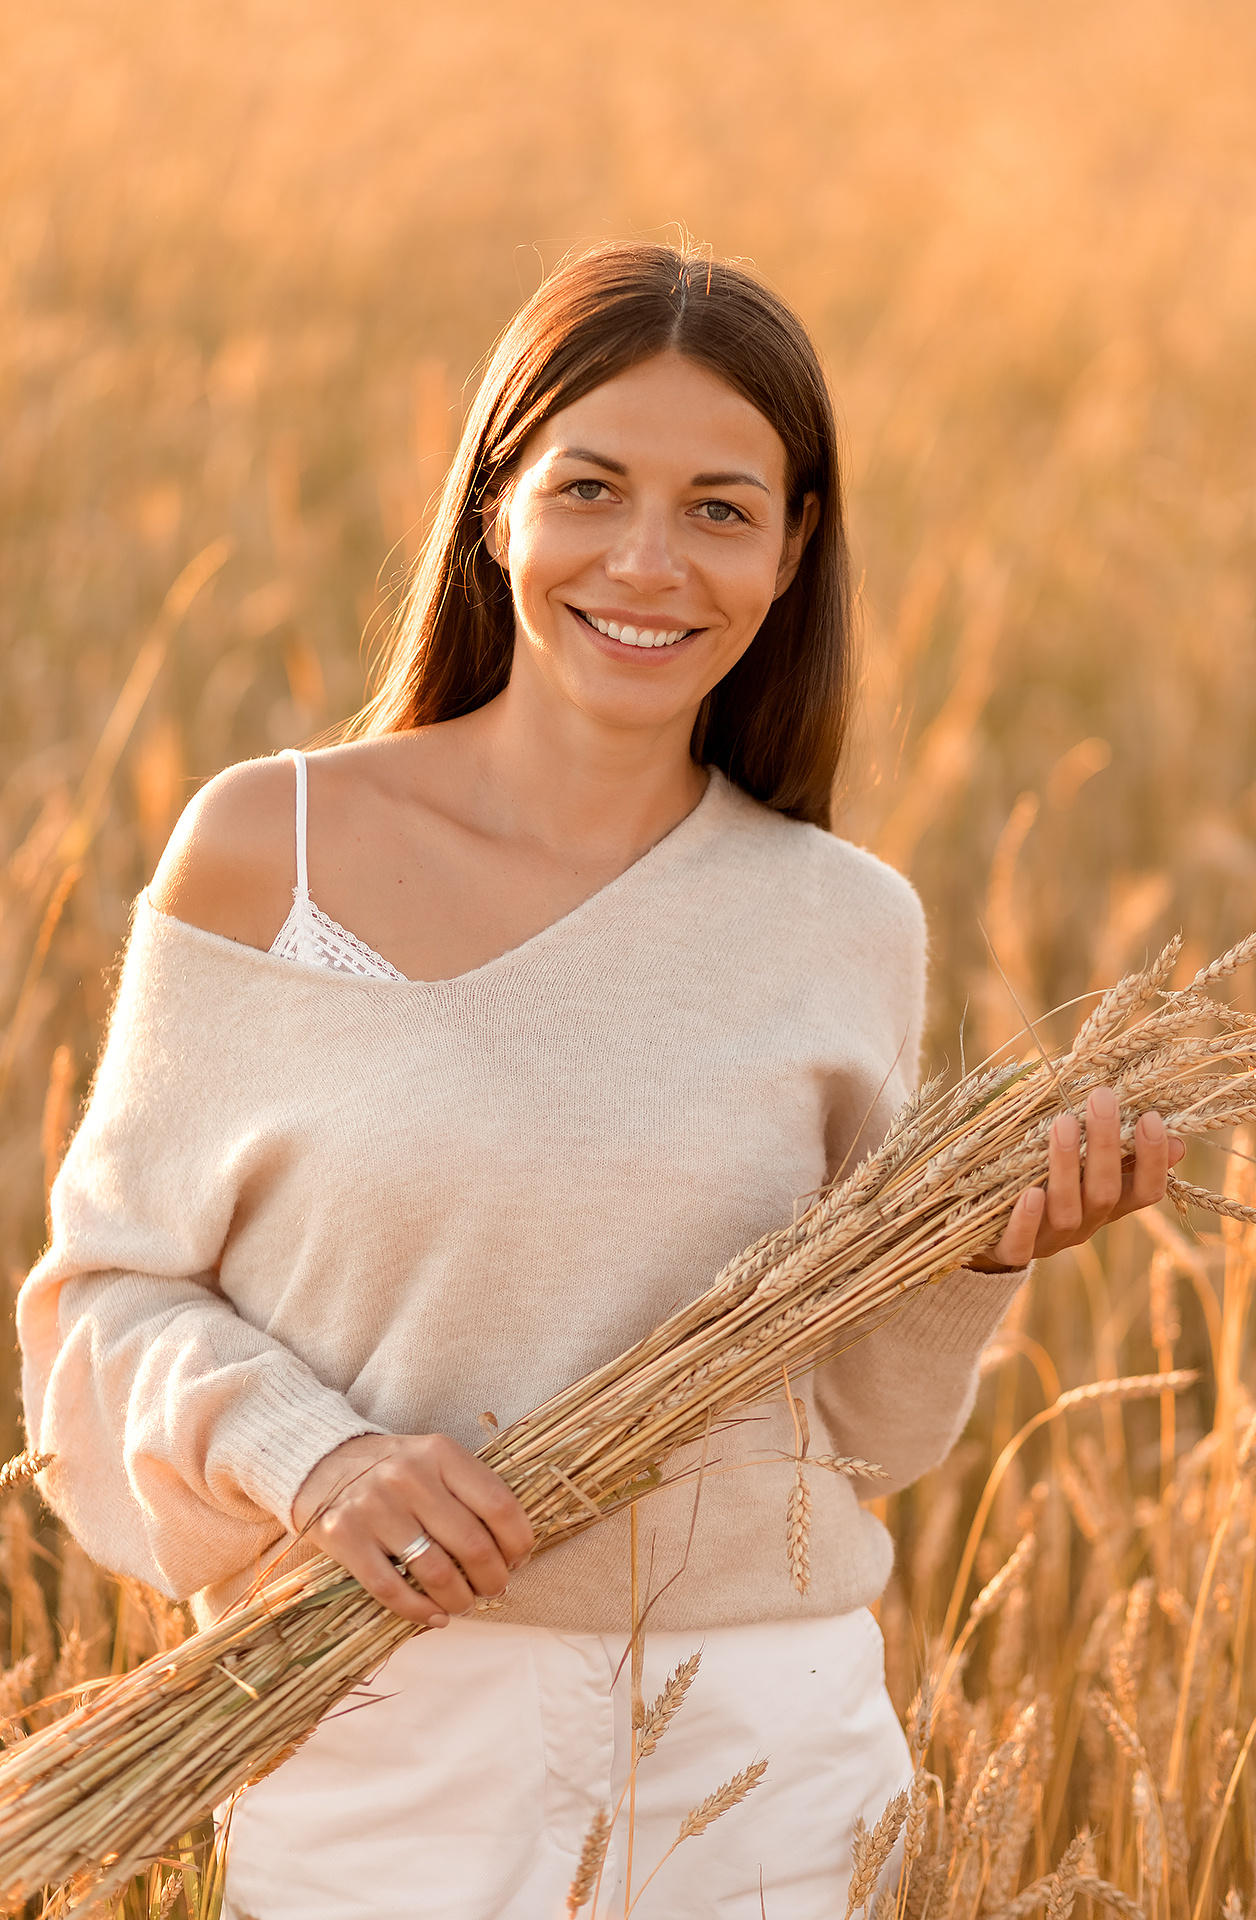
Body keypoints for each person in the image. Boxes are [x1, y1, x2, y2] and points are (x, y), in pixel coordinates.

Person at [18, 243, 1182, 1920]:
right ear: (497, 507)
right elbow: (106, 1302)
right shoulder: (273, 848)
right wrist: (319, 1461)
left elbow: (852, 1433)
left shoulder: (842, 921)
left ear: (792, 554)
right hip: (384, 1720)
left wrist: (979, 1262)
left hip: (763, 1745)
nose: (648, 562)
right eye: (591, 489)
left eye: (721, 508)